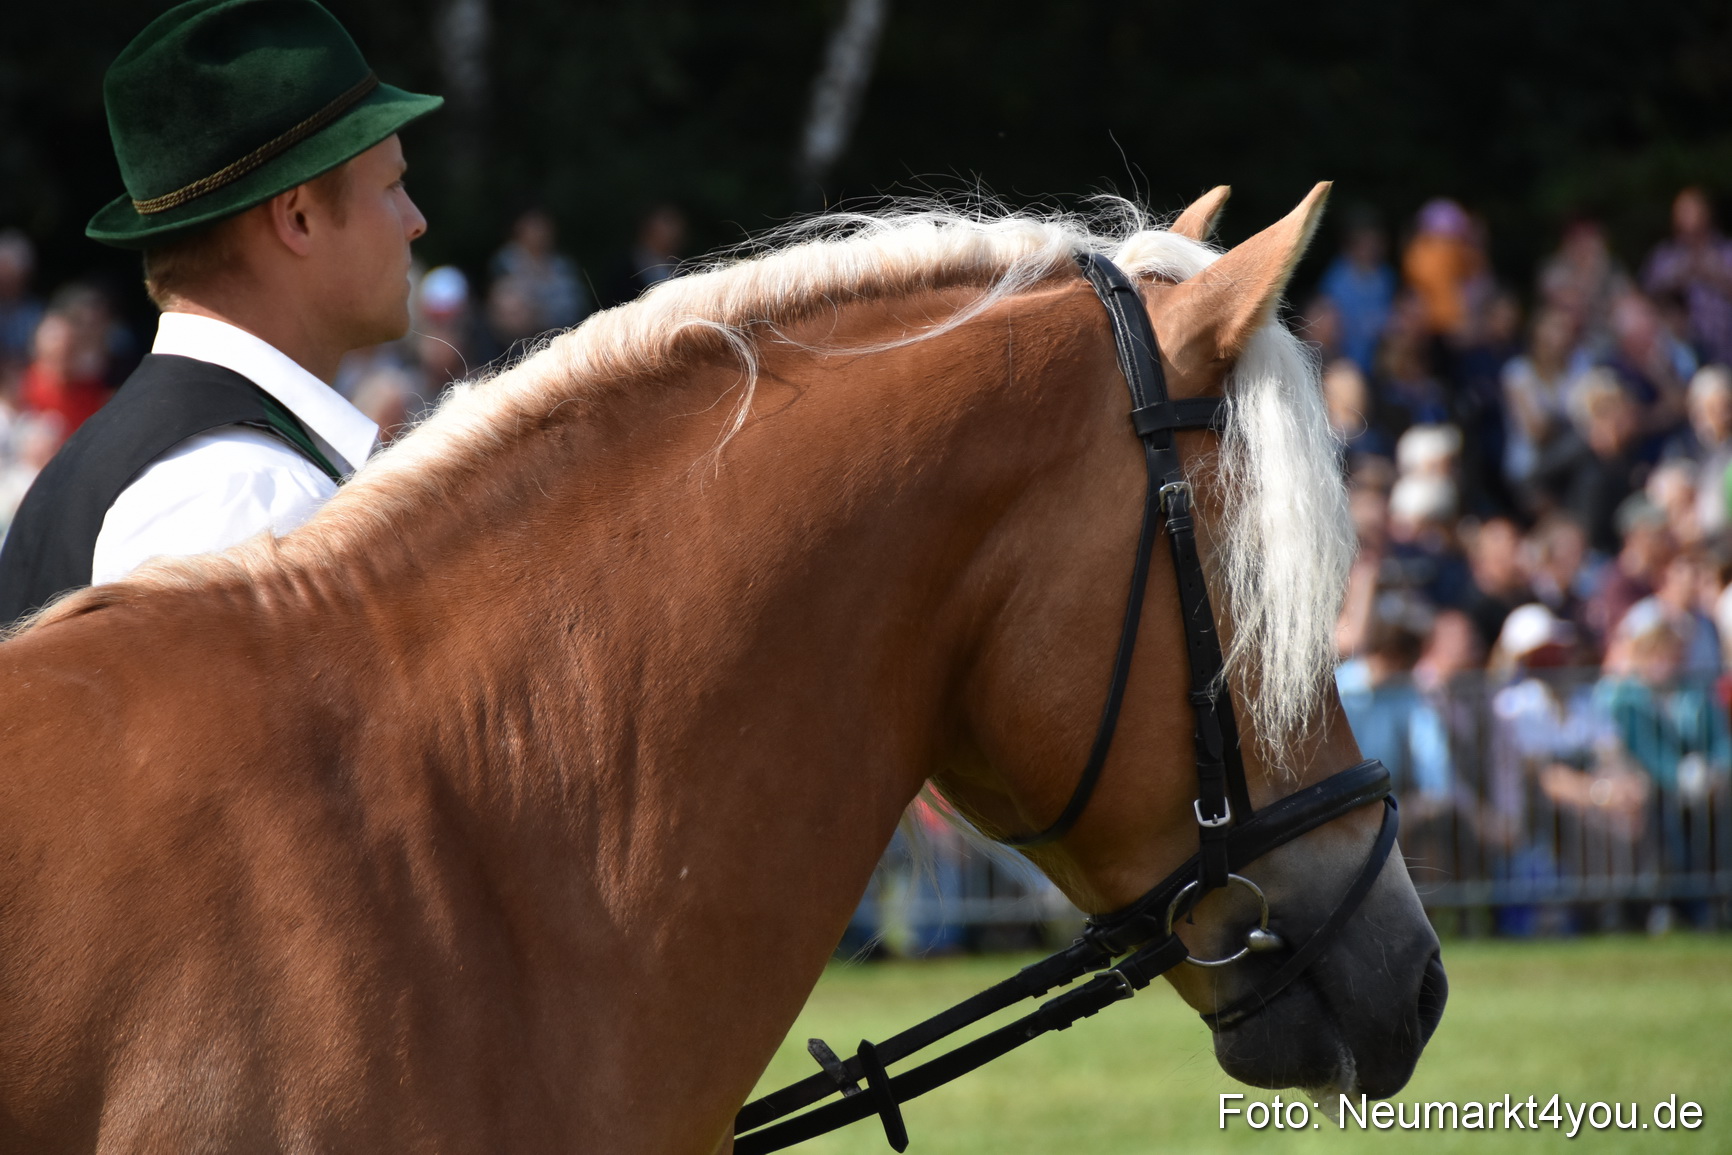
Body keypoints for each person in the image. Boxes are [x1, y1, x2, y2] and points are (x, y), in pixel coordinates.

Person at [0, 0, 441, 624]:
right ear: (298, 217)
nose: (415, 220)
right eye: (392, 185)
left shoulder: (113, 462)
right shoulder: (248, 500)